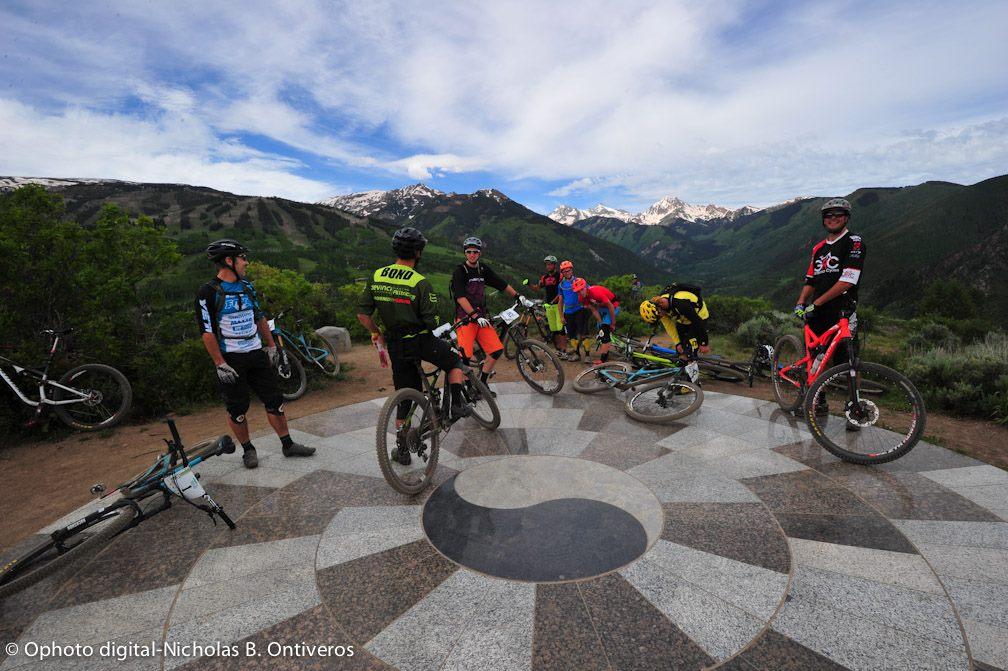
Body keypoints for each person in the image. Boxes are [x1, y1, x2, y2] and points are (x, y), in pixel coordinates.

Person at [196, 239, 315, 469]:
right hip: (231, 358)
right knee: (237, 408)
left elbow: (259, 317)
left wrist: (272, 347)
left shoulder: (247, 286)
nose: (246, 262)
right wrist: (220, 363)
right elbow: (207, 332)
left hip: (256, 352)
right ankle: (248, 450)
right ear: (229, 261)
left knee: (275, 401)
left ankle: (288, 444)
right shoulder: (208, 292)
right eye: (243, 258)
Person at [356, 228, 471, 464]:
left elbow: (363, 315)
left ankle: (402, 450)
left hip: (397, 345)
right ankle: (458, 405)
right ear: (418, 253)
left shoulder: (377, 276)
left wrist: (377, 332)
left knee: (405, 397)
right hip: (421, 341)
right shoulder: (419, 282)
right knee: (454, 359)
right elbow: (432, 321)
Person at [793, 198, 866, 419]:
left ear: (847, 217)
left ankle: (854, 406)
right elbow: (810, 281)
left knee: (849, 362)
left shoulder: (854, 242)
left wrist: (817, 303)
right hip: (817, 313)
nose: (833, 218)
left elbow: (848, 281)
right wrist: (800, 303)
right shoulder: (818, 248)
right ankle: (819, 400)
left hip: (842, 312)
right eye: (828, 215)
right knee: (817, 358)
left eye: (838, 214)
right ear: (823, 220)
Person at [450, 236, 532, 395]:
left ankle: (482, 383)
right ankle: (469, 388)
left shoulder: (483, 269)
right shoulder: (460, 271)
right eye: (469, 252)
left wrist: (518, 296)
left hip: (481, 318)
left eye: (475, 252)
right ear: (465, 253)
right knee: (465, 356)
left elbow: (501, 284)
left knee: (496, 350)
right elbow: (460, 298)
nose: (472, 254)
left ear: (480, 253)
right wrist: (474, 316)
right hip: (465, 320)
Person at [638, 284, 711, 356]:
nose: (661, 317)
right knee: (681, 349)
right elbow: (669, 326)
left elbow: (697, 322)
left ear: (660, 305)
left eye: (659, 316)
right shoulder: (660, 309)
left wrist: (704, 343)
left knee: (690, 347)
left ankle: (694, 363)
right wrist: (678, 343)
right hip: (683, 319)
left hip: (700, 316)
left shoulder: (681, 304)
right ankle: (686, 362)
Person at [572, 278, 620, 364]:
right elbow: (594, 310)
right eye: (578, 291)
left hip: (613, 306)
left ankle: (602, 360)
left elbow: (611, 306)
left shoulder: (596, 293)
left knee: (604, 332)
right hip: (602, 308)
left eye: (582, 289)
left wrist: (613, 323)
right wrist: (600, 322)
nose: (580, 292)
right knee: (601, 331)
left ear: (585, 287)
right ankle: (607, 348)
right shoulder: (581, 298)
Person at [556, 261, 589, 360]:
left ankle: (587, 355)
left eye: (569, 270)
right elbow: (560, 301)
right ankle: (577, 354)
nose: (567, 273)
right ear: (562, 273)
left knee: (583, 333)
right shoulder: (561, 285)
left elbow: (588, 292)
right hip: (568, 312)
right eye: (565, 271)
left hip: (580, 309)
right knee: (572, 335)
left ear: (572, 270)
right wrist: (561, 316)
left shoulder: (580, 280)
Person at [537, 255, 564, 350]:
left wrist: (554, 301)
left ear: (554, 265)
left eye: (550, 264)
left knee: (560, 328)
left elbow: (562, 291)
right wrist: (528, 284)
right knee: (554, 329)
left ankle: (563, 350)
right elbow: (537, 288)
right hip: (549, 305)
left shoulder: (560, 276)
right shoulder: (544, 278)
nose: (548, 266)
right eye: (546, 265)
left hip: (559, 305)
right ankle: (558, 350)